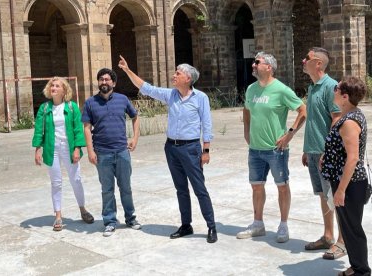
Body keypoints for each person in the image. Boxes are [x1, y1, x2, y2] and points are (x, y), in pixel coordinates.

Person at [118, 55, 218, 243]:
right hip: (172, 147)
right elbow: (146, 88)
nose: (174, 76)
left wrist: (206, 150)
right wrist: (127, 70)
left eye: (177, 73)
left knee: (199, 188)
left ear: (188, 79)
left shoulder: (200, 98)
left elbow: (207, 124)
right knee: (181, 189)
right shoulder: (170, 94)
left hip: (191, 148)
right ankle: (186, 225)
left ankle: (211, 226)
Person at [237, 52, 306, 243]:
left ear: (269, 67)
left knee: (282, 187)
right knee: (256, 186)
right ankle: (258, 224)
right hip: (255, 149)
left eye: (257, 62)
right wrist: (246, 130)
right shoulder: (251, 89)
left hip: (276, 150)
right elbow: (247, 109)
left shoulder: (281, 89)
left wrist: (290, 133)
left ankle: (283, 226)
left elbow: (303, 110)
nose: (253, 65)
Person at [81, 68, 141, 237]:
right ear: (98, 82)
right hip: (102, 154)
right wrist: (90, 151)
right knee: (107, 190)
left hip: (122, 151)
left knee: (126, 188)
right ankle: (109, 221)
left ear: (113, 83)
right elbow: (86, 128)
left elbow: (135, 117)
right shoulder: (90, 102)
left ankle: (131, 219)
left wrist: (135, 139)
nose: (104, 82)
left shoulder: (122, 99)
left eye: (107, 79)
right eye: (101, 79)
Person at [321, 76, 371, 276]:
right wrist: (328, 155)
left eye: (336, 88)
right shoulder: (350, 114)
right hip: (346, 182)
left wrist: (341, 190)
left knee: (353, 230)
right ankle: (355, 266)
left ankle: (362, 271)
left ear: (345, 96)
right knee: (349, 228)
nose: (333, 91)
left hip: (350, 184)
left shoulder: (350, 121)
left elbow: (352, 159)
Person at [32, 77, 94, 231]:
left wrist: (77, 148)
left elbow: (78, 129)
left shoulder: (71, 107)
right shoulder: (44, 108)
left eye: (57, 85)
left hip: (68, 147)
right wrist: (38, 149)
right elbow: (39, 129)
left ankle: (82, 209)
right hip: (51, 148)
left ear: (64, 90)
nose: (53, 87)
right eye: (52, 85)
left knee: (76, 179)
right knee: (56, 182)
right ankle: (58, 216)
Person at [302, 47, 346, 260]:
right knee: (322, 195)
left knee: (334, 198)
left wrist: (327, 151)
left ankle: (342, 241)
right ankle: (328, 236)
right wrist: (306, 149)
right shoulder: (312, 87)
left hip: (324, 154)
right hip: (312, 152)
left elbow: (337, 119)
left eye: (307, 58)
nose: (303, 60)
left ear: (318, 63)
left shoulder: (331, 87)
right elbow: (313, 120)